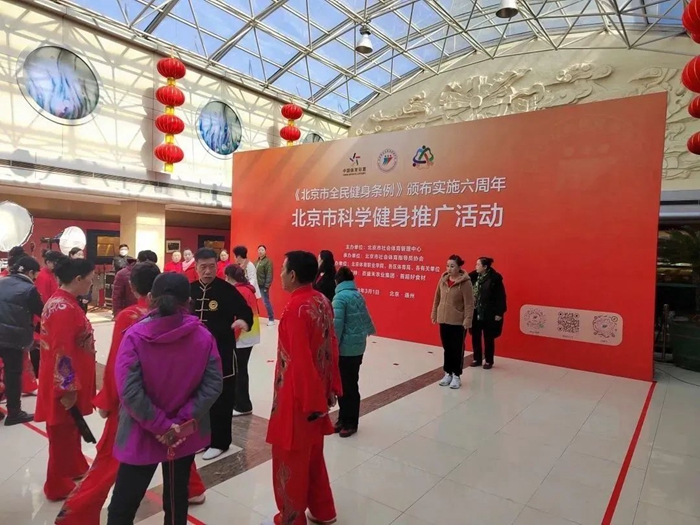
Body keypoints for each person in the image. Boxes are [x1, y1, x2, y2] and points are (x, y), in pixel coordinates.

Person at [56, 263, 208, 525]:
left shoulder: (130, 317)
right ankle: (192, 489)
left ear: (136, 288)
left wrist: (107, 399)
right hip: (180, 406)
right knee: (179, 449)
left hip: (137, 405)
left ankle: (77, 513)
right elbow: (210, 377)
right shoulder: (190, 323)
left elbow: (118, 365)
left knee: (110, 460)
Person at [107, 273, 223, 525]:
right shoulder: (203, 336)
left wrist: (161, 426)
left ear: (150, 298)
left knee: (123, 506)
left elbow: (129, 390)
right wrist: (178, 425)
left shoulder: (135, 336)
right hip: (183, 434)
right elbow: (213, 384)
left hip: (142, 431)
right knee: (176, 498)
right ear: (189, 301)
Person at [264, 251, 342, 525]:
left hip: (298, 399)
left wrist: (311, 403)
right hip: (317, 393)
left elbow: (300, 361)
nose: (281, 275)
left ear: (293, 275)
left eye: (283, 270)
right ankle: (323, 510)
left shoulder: (295, 309)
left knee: (290, 458)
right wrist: (331, 387)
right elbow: (332, 346)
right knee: (313, 455)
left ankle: (291, 518)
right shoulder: (322, 300)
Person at [35, 257, 96, 501]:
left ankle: (75, 466)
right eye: (90, 280)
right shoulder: (62, 308)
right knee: (61, 431)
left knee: (71, 428)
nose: (91, 284)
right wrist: (67, 388)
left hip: (69, 378)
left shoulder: (65, 302)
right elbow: (62, 351)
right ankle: (57, 484)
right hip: (64, 383)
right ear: (78, 279)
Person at [191, 248, 253, 460]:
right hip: (195, 356)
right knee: (199, 397)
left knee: (222, 397)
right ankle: (202, 439)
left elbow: (245, 310)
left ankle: (220, 442)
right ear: (196, 267)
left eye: (212, 266)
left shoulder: (226, 290)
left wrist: (243, 321)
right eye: (203, 267)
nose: (208, 271)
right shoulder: (189, 290)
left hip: (222, 352)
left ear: (217, 266)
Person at [332, 267, 375, 438]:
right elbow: (366, 317)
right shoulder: (358, 295)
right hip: (357, 347)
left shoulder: (339, 298)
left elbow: (336, 327)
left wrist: (332, 347)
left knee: (346, 386)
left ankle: (350, 422)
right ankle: (344, 419)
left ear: (337, 281)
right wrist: (370, 331)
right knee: (349, 384)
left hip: (345, 350)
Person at [0, 256, 43, 425]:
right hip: (13, 337)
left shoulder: (2, 281)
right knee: (12, 374)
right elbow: (42, 311)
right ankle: (14, 412)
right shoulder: (29, 289)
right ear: (30, 272)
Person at [431, 255, 474, 390]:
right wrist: (434, 313)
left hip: (458, 322)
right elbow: (437, 298)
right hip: (444, 320)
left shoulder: (465, 283)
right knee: (447, 348)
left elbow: (469, 303)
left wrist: (468, 319)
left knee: (457, 349)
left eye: (452, 266)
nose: (449, 269)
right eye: (447, 266)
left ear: (459, 267)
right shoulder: (443, 280)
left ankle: (456, 375)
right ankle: (447, 373)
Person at [224, 264, 260, 417]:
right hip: (250, 335)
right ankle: (240, 402)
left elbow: (239, 317)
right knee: (241, 369)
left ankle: (242, 405)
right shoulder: (247, 289)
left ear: (228, 277)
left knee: (239, 371)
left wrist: (231, 336)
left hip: (242, 336)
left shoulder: (238, 291)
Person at [469, 257, 507, 370]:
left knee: (488, 337)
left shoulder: (495, 279)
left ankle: (489, 360)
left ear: (485, 267)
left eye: (478, 264)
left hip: (489, 312)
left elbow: (501, 297)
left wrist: (499, 312)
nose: (476, 266)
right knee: (475, 335)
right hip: (475, 311)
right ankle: (477, 358)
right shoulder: (473, 277)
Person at [112, 250, 157, 316]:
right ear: (138, 261)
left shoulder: (154, 272)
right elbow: (117, 297)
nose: (149, 266)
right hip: (129, 313)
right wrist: (118, 314)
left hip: (150, 313)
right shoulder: (123, 274)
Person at [256, 245, 275, 326]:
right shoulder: (256, 261)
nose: (260, 251)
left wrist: (267, 286)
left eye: (262, 250)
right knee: (254, 302)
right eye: (259, 250)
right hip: (256, 285)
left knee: (266, 302)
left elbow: (269, 274)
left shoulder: (268, 262)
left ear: (265, 251)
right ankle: (255, 318)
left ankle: (271, 319)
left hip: (263, 285)